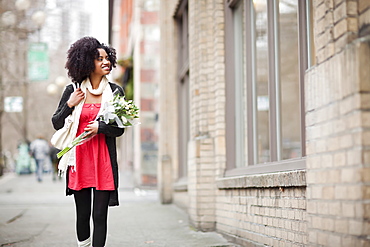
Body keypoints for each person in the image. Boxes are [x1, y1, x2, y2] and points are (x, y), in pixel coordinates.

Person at [51, 37, 125, 247]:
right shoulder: (73, 90)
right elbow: (56, 123)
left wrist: (100, 127)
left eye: (107, 58)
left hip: (103, 160)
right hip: (80, 159)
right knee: (82, 214)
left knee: (99, 215)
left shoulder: (115, 92)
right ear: (85, 62)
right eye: (99, 58)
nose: (106, 62)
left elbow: (119, 129)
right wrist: (69, 104)